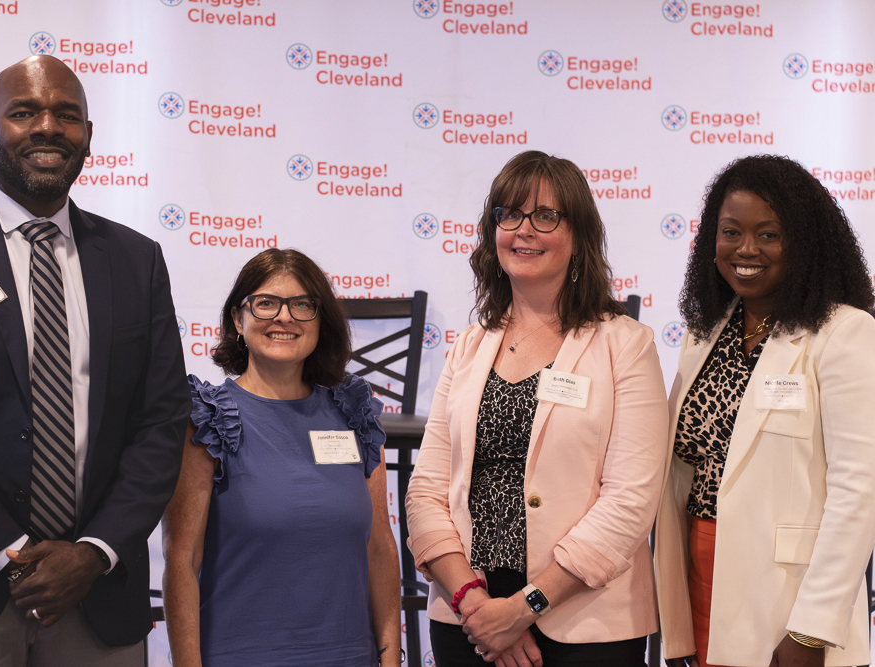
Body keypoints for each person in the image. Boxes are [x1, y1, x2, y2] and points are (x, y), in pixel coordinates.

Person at [0, 55, 189, 666]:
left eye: (66, 115)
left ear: (88, 137)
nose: (47, 127)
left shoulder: (137, 259)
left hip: (96, 593)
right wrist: (6, 549)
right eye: (23, 113)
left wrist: (94, 550)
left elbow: (160, 421)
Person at [406, 150, 670, 667]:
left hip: (584, 621)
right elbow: (426, 490)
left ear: (579, 237)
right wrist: (475, 603)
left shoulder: (626, 345)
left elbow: (631, 501)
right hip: (470, 620)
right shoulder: (468, 346)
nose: (523, 230)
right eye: (509, 214)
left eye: (545, 216)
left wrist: (525, 608)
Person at [655, 155, 875, 667]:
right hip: (700, 578)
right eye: (730, 232)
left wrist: (811, 631)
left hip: (786, 601)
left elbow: (858, 491)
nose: (746, 250)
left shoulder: (845, 333)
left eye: (769, 234)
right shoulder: (705, 331)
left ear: (802, 243)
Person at [161, 248, 402, 667]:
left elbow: (380, 547)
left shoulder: (355, 414)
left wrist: (390, 656)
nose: (284, 317)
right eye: (266, 303)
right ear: (239, 319)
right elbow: (181, 559)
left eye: (302, 305)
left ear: (320, 319)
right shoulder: (207, 421)